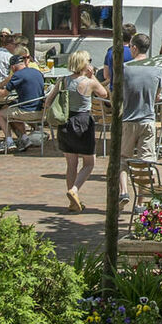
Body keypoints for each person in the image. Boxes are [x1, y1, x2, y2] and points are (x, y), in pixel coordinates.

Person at [59, 52, 105, 211]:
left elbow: (50, 99)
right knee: (89, 162)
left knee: (71, 164)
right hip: (83, 121)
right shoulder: (88, 82)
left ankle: (73, 202)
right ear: (84, 64)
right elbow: (103, 94)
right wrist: (94, 77)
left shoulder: (64, 80)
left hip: (66, 122)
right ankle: (74, 190)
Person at [119, 34, 160, 167]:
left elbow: (117, 94)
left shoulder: (125, 68)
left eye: (130, 46)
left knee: (124, 159)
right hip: (148, 119)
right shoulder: (156, 68)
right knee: (147, 160)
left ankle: (124, 188)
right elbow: (157, 96)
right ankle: (145, 187)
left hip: (128, 119)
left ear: (135, 48)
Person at [2, 51, 45, 150]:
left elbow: (4, 94)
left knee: (0, 114)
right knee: (11, 109)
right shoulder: (37, 72)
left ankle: (9, 141)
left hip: (27, 112)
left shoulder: (17, 75)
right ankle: (25, 139)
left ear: (13, 67)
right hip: (41, 111)